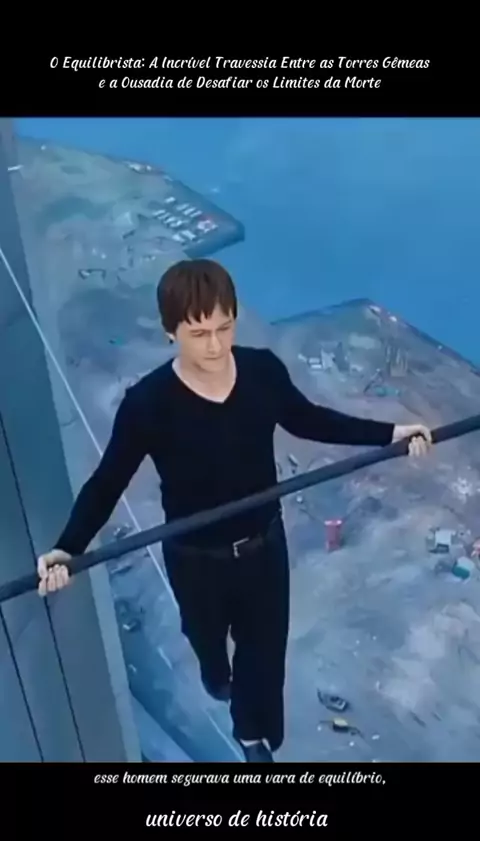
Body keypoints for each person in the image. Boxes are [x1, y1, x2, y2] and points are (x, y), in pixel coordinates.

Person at [37, 259, 432, 762]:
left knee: (263, 659)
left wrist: (390, 434)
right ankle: (212, 667)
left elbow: (310, 420)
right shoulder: (147, 404)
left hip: (265, 545)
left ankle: (251, 738)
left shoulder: (263, 371)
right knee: (209, 646)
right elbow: (107, 482)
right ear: (170, 331)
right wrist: (67, 548)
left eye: (224, 328)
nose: (215, 345)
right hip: (195, 560)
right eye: (199, 333)